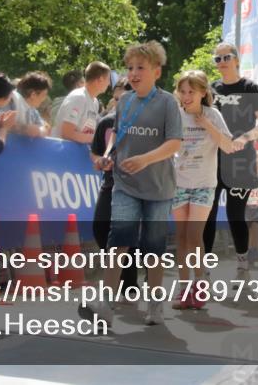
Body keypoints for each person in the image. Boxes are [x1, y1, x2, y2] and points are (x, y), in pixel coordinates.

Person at [79, 41, 183, 327]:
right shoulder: (124, 102)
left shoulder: (167, 103)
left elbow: (174, 142)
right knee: (118, 242)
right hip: (124, 185)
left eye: (141, 68)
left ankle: (155, 305)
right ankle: (106, 305)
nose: (134, 73)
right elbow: (118, 138)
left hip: (159, 188)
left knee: (153, 247)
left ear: (157, 72)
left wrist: (146, 159)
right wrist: (108, 158)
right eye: (130, 68)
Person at [203, 42, 258, 277]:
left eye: (226, 57)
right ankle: (204, 266)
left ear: (236, 60)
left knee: (235, 215)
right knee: (208, 214)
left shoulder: (250, 87)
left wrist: (245, 138)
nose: (221, 62)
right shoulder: (211, 89)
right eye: (217, 59)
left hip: (241, 162)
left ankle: (242, 260)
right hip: (213, 160)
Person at [171, 70, 235, 310]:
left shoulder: (213, 115)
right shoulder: (174, 115)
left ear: (203, 92)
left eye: (191, 92)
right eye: (183, 92)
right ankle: (183, 288)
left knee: (194, 236)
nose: (186, 97)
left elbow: (228, 146)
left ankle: (199, 284)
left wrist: (206, 124)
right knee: (180, 238)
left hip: (204, 184)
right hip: (177, 183)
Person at [89, 87, 139, 294]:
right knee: (100, 228)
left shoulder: (145, 123)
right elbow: (94, 153)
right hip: (110, 183)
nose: (119, 103)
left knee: (126, 234)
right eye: (117, 98)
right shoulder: (106, 122)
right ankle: (119, 276)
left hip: (136, 186)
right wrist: (100, 161)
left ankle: (128, 284)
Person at [53, 62, 112, 144]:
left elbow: (87, 131)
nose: (109, 84)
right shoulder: (78, 97)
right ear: (100, 79)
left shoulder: (94, 102)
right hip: (63, 153)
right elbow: (67, 133)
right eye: (108, 79)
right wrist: (95, 139)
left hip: (77, 153)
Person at [9, 72, 52, 137]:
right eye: (44, 95)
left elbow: (46, 128)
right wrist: (24, 129)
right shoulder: (10, 100)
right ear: (33, 95)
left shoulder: (33, 110)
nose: (44, 99)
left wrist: (39, 130)